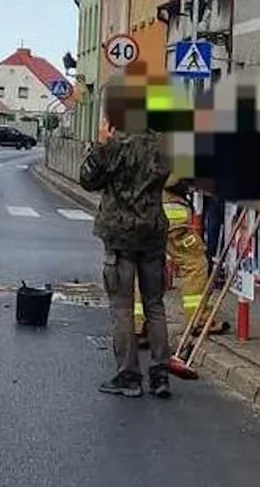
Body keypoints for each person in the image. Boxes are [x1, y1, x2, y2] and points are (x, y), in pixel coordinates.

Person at [79, 81, 172, 399]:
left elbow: (88, 179)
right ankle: (160, 375)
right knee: (155, 305)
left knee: (121, 306)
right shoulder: (163, 144)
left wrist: (101, 145)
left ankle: (129, 375)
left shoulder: (115, 144)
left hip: (120, 234)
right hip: (153, 232)